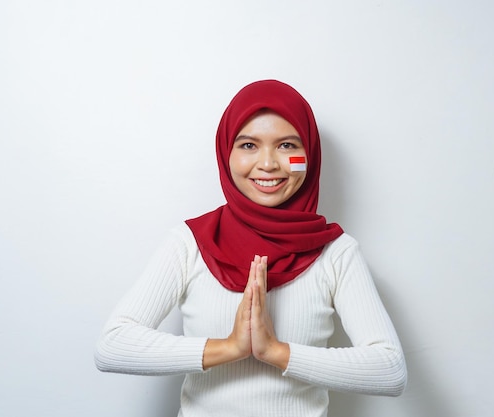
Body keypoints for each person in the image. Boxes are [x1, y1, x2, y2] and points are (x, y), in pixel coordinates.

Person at [95, 80, 407, 416]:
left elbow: (389, 370)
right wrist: (229, 348)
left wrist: (275, 351)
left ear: (311, 154)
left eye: (287, 145)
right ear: (226, 151)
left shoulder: (336, 252)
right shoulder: (191, 242)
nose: (269, 164)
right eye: (248, 145)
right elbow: (113, 346)